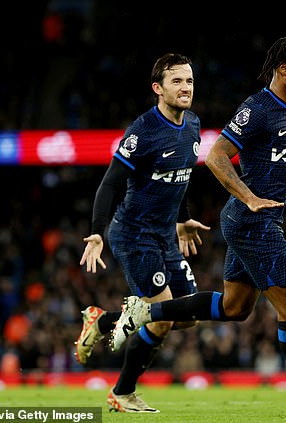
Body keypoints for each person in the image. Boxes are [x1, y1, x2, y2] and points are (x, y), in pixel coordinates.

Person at [110, 35, 286, 418]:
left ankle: (145, 313)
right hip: (253, 221)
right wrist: (248, 197)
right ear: (284, 68)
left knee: (235, 307)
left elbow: (278, 165)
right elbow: (216, 156)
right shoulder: (258, 108)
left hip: (255, 219)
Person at [75, 52, 210, 413]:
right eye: (177, 81)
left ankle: (103, 320)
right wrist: (97, 232)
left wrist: (182, 219)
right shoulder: (143, 131)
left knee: (188, 316)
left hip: (165, 235)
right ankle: (122, 394)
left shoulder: (193, 125)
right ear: (158, 88)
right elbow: (110, 184)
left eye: (190, 81)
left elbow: (180, 178)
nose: (186, 87)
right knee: (162, 318)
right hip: (134, 234)